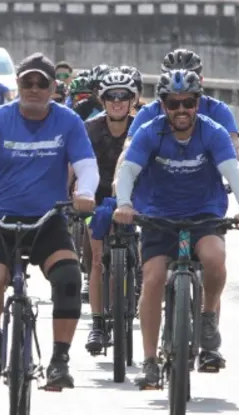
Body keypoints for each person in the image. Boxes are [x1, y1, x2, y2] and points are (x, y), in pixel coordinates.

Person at [0, 52, 98, 388]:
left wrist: (84, 193)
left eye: (42, 83)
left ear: (53, 87)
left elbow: (86, 164)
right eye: (27, 82)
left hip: (48, 220)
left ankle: (59, 359)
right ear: (18, 84)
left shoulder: (68, 121)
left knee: (69, 277)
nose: (34, 88)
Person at [113, 70, 239, 387]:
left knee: (215, 259)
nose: (181, 110)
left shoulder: (214, 132)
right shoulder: (150, 132)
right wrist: (124, 204)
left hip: (203, 212)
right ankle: (150, 361)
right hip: (157, 213)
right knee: (151, 279)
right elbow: (128, 171)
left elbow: (232, 172)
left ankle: (206, 318)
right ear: (163, 105)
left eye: (188, 103)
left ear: (197, 103)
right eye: (173, 103)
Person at [125, 49, 239, 186]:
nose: (180, 84)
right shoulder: (149, 112)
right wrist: (120, 177)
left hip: (204, 190)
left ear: (201, 80)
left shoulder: (217, 110)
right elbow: (129, 148)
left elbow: (232, 148)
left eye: (189, 78)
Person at [81, 69, 138, 354]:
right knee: (96, 261)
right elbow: (74, 167)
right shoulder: (90, 129)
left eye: (123, 97)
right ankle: (98, 324)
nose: (117, 102)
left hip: (135, 201)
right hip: (96, 200)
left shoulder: (142, 127)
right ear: (102, 101)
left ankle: (135, 278)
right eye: (111, 97)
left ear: (132, 100)